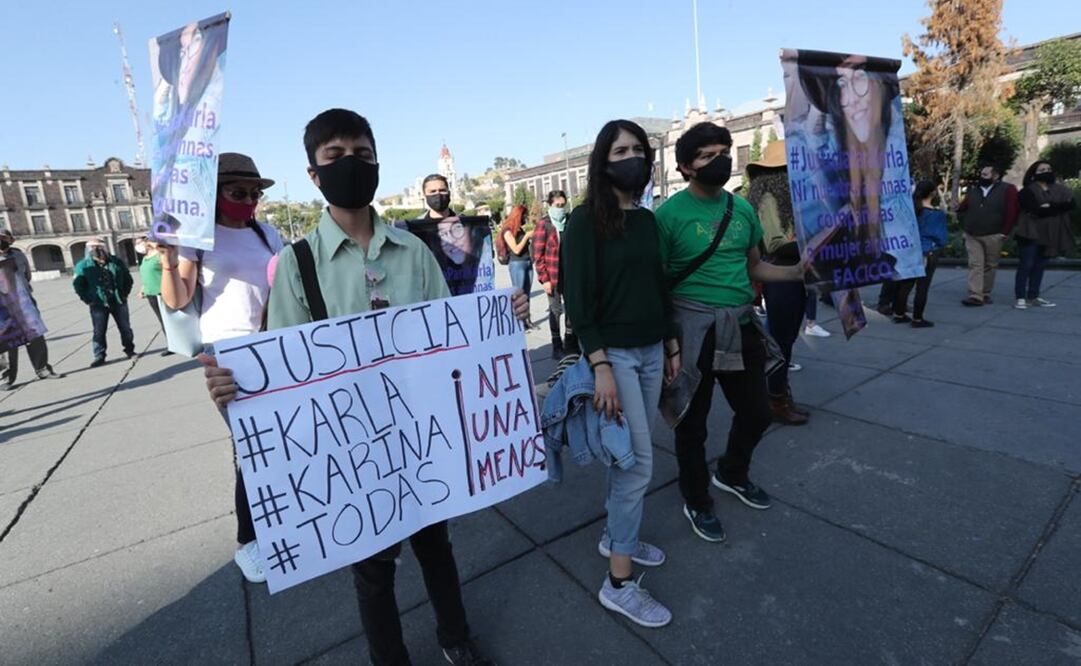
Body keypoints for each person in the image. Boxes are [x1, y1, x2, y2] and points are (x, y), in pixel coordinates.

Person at [200, 109, 531, 666]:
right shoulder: (298, 263)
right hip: (355, 452)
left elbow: (452, 341)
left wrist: (500, 321)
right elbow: (283, 368)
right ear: (314, 173)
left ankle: (456, 636)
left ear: (378, 162)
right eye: (335, 156)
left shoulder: (414, 251)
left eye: (362, 153)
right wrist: (238, 385)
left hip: (420, 435)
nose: (351, 164)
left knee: (436, 546)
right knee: (373, 571)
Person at [656, 122, 803, 544]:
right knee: (692, 423)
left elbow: (755, 265)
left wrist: (794, 271)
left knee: (758, 411)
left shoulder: (740, 209)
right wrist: (669, 341)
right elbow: (658, 283)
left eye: (723, 151)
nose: (718, 160)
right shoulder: (668, 216)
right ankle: (697, 498)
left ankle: (731, 473)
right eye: (706, 155)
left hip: (740, 327)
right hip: (692, 332)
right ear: (684, 167)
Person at [562, 119, 680, 628]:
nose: (630, 157)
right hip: (615, 357)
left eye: (637, 149)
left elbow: (660, 286)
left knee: (630, 457)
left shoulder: (649, 221)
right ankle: (618, 583)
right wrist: (601, 366)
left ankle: (617, 537)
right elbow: (578, 301)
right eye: (619, 150)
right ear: (601, 162)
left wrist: (671, 340)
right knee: (637, 468)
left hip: (653, 350)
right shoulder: (584, 221)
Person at [158, 152, 284, 585]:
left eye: (253, 193)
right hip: (225, 350)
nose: (248, 200)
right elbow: (177, 299)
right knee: (251, 447)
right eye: (237, 193)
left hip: (267, 345)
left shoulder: (269, 235)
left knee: (279, 442)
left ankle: (281, 523)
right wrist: (170, 258)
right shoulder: (199, 238)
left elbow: (279, 290)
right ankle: (249, 540)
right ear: (215, 195)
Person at [746, 139, 810, 426]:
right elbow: (775, 243)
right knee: (781, 341)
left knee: (785, 338)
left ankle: (779, 395)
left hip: (790, 271)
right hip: (782, 272)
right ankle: (776, 399)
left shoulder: (779, 196)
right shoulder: (771, 198)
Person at [1014, 160, 1077, 309]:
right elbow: (1036, 210)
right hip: (1030, 233)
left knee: (1040, 266)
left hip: (1050, 234)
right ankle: (1020, 297)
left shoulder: (1059, 189)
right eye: (1042, 170)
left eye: (1049, 168)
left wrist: (1051, 206)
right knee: (1026, 264)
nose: (1046, 171)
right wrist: (1057, 208)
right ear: (1034, 173)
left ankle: (1034, 296)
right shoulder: (1027, 191)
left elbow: (1071, 204)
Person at [0, 229, 58, 387]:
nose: (1, 241)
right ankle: (7, 376)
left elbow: (27, 276)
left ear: (11, 240)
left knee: (35, 336)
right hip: (3, 307)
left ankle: (42, 368)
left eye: (4, 238)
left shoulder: (19, 255)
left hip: (24, 302)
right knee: (7, 341)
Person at [957, 164, 1019, 307]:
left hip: (994, 233)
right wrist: (959, 209)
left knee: (990, 265)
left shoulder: (1007, 190)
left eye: (985, 174)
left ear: (995, 176)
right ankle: (975, 294)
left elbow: (1012, 211)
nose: (982, 177)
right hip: (972, 233)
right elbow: (964, 206)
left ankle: (985, 292)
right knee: (975, 264)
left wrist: (1005, 232)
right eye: (982, 174)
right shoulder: (974, 190)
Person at [891, 180, 948, 327]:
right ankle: (917, 318)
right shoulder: (936, 215)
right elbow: (941, 237)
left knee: (906, 283)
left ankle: (899, 313)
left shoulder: (910, 211)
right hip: (928, 250)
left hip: (909, 249)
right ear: (933, 193)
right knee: (922, 286)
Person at [73, 239, 135, 367]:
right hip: (98, 303)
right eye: (93, 247)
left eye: (99, 246)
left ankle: (130, 350)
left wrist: (125, 293)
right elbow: (78, 285)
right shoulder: (83, 265)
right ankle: (99, 355)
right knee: (99, 331)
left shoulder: (116, 262)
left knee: (125, 328)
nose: (96, 249)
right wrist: (88, 299)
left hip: (118, 300)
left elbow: (128, 278)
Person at [532, 190, 578, 359]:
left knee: (572, 309)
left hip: (570, 275)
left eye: (562, 205)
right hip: (552, 276)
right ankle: (556, 345)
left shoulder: (570, 221)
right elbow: (537, 254)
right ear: (550, 205)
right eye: (557, 205)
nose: (560, 208)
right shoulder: (544, 224)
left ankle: (570, 341)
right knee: (555, 309)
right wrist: (544, 279)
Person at [138, 239, 173, 355]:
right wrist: (143, 289)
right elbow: (147, 275)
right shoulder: (145, 258)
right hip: (150, 293)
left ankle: (178, 343)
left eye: (140, 242)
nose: (138, 245)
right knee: (162, 319)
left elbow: (170, 269)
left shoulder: (159, 255)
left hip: (162, 292)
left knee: (171, 319)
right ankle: (171, 344)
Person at [501, 204, 534, 296]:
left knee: (526, 295)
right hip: (517, 263)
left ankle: (527, 311)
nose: (526, 218)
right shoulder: (508, 230)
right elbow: (516, 250)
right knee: (519, 295)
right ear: (518, 215)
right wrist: (526, 236)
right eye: (524, 215)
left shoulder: (519, 229)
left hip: (527, 261)